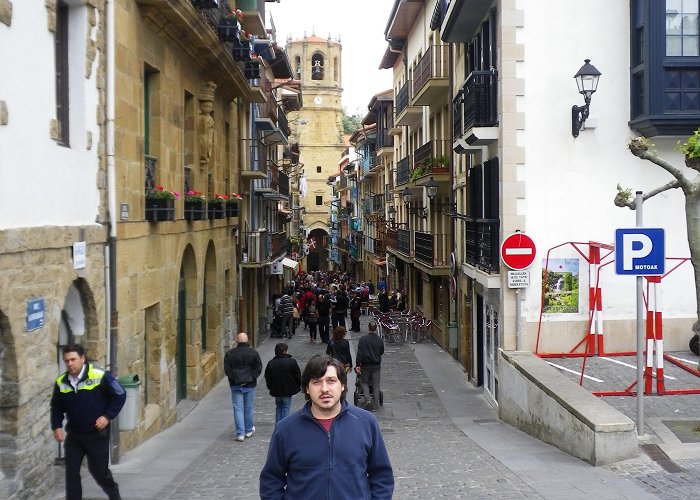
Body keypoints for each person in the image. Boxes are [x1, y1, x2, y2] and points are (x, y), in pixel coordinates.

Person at [259, 355, 394, 499]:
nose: (324, 389)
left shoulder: (366, 423)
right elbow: (271, 480)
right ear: (307, 389)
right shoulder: (285, 429)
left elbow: (382, 476)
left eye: (331, 381)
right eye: (316, 382)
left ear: (342, 385)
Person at [50, 344, 126, 500]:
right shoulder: (61, 382)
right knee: (71, 473)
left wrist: (107, 416)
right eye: (67, 361)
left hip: (96, 435)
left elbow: (120, 394)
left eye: (73, 359)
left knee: (99, 472)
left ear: (82, 358)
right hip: (75, 435)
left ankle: (115, 496)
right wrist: (57, 426)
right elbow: (56, 406)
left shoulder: (99, 375)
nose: (70, 363)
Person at [224, 332, 262, 442]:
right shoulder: (253, 353)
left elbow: (227, 370)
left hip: (235, 384)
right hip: (249, 384)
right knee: (248, 408)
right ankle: (248, 430)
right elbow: (258, 367)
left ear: (237, 341)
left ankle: (240, 433)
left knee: (237, 408)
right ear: (247, 340)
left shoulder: (230, 354)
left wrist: (234, 379)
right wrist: (252, 377)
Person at [264, 343, 301, 424]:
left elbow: (267, 377)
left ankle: (278, 426)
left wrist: (270, 386)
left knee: (279, 407)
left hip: (276, 390)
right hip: (288, 389)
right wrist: (297, 385)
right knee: (286, 408)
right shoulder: (291, 362)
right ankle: (284, 426)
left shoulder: (271, 363)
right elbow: (297, 375)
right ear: (285, 351)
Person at [355, 321, 384, 412]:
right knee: (376, 385)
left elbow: (359, 353)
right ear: (376, 328)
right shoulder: (379, 340)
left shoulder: (363, 339)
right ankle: (375, 406)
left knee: (364, 382)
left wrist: (358, 364)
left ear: (368, 328)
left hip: (365, 365)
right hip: (376, 365)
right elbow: (381, 351)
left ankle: (367, 398)